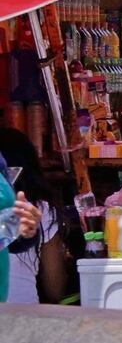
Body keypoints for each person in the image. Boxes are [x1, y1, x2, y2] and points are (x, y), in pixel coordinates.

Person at [0, 129, 67, 304]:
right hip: (23, 315)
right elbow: (55, 290)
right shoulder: (40, 209)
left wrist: (21, 233)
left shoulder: (30, 211)